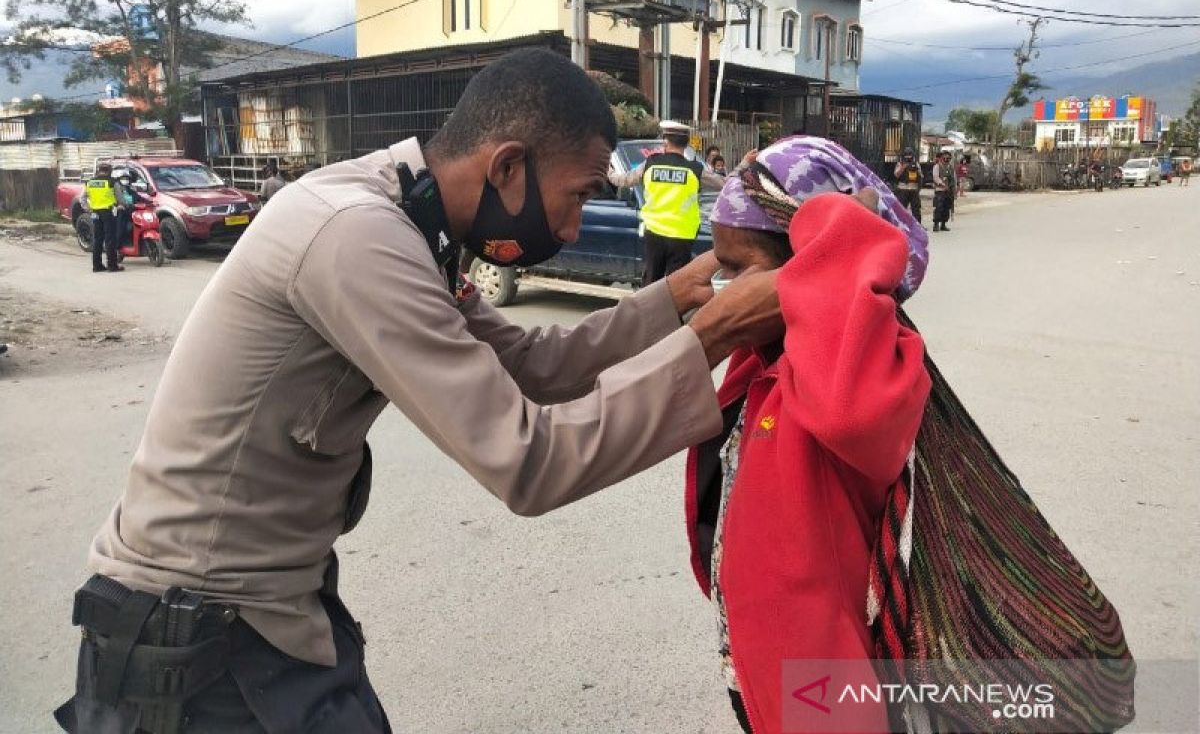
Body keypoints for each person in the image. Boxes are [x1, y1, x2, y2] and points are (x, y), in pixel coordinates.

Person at [54, 47, 783, 733]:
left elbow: (530, 365)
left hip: (265, 608)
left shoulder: (410, 221)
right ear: (507, 167)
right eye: (578, 195)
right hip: (199, 636)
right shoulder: (358, 235)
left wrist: (681, 297)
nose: (570, 227)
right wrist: (712, 337)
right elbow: (531, 463)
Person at [686, 136, 930, 734]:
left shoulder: (856, 369)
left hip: (825, 689)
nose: (723, 284)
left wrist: (842, 251)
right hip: (759, 662)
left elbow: (852, 417)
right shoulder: (763, 355)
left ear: (811, 265)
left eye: (739, 268)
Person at [609, 120, 755, 285]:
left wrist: (607, 169)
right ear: (686, 144)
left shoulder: (651, 163)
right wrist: (745, 162)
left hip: (654, 233)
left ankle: (649, 310)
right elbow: (726, 183)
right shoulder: (695, 169)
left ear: (665, 141)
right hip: (682, 236)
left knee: (650, 283)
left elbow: (622, 180)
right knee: (676, 286)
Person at [85, 163, 122, 272]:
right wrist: (123, 205)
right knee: (110, 239)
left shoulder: (90, 182)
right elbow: (119, 197)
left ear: (99, 170)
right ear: (109, 171)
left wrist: (88, 208)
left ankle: (97, 266)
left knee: (97, 239)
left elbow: (83, 197)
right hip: (108, 212)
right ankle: (112, 265)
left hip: (95, 213)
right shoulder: (111, 182)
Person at [892, 147, 923, 224]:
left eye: (910, 155)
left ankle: (918, 225)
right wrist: (903, 167)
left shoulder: (916, 164)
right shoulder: (900, 164)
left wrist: (916, 170)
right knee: (901, 209)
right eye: (907, 155)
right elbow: (896, 175)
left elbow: (921, 176)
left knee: (916, 209)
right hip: (903, 189)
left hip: (914, 189)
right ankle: (900, 224)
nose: (908, 157)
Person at [931, 151, 954, 231]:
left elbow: (954, 179)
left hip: (948, 191)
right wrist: (943, 184)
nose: (947, 159)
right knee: (938, 207)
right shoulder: (937, 166)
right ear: (942, 158)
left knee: (946, 208)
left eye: (948, 158)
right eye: (945, 157)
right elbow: (935, 177)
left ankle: (943, 224)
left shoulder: (950, 167)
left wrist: (954, 189)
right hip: (940, 190)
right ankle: (936, 224)